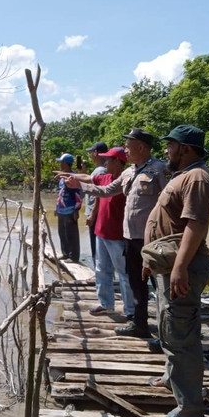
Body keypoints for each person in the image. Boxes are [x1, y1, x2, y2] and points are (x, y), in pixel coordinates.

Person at [143, 125, 209, 417]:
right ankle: (172, 379)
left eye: (170, 146)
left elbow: (195, 226)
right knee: (170, 328)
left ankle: (188, 412)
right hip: (168, 265)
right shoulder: (183, 176)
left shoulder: (197, 178)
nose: (166, 151)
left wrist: (179, 268)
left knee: (182, 337)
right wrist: (153, 260)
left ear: (185, 148)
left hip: (180, 268)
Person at [65, 128, 167, 337]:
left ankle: (168, 329)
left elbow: (170, 202)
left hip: (152, 238)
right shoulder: (129, 172)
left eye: (129, 145)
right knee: (135, 282)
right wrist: (80, 186)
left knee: (159, 283)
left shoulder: (159, 170)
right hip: (130, 237)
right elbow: (106, 191)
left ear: (141, 147)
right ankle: (139, 324)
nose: (126, 149)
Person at [58, 147, 135, 318]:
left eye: (109, 160)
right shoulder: (105, 177)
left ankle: (131, 311)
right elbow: (88, 177)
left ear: (118, 162)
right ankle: (106, 304)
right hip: (101, 231)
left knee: (124, 274)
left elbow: (99, 189)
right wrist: (69, 175)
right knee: (101, 269)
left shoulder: (126, 181)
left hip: (118, 235)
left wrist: (77, 182)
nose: (105, 162)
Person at [55, 153, 82, 262]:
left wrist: (76, 210)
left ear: (65, 163)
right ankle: (65, 254)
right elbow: (61, 193)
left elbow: (78, 195)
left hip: (70, 210)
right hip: (61, 209)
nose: (60, 165)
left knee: (71, 235)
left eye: (61, 163)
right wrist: (56, 208)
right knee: (62, 233)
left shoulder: (73, 177)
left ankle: (73, 256)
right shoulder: (62, 177)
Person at [84, 141, 108, 265]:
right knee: (100, 245)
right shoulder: (102, 169)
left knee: (97, 245)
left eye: (91, 152)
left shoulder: (100, 171)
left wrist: (92, 214)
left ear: (96, 153)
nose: (90, 156)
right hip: (98, 213)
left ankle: (98, 272)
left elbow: (99, 196)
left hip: (96, 214)